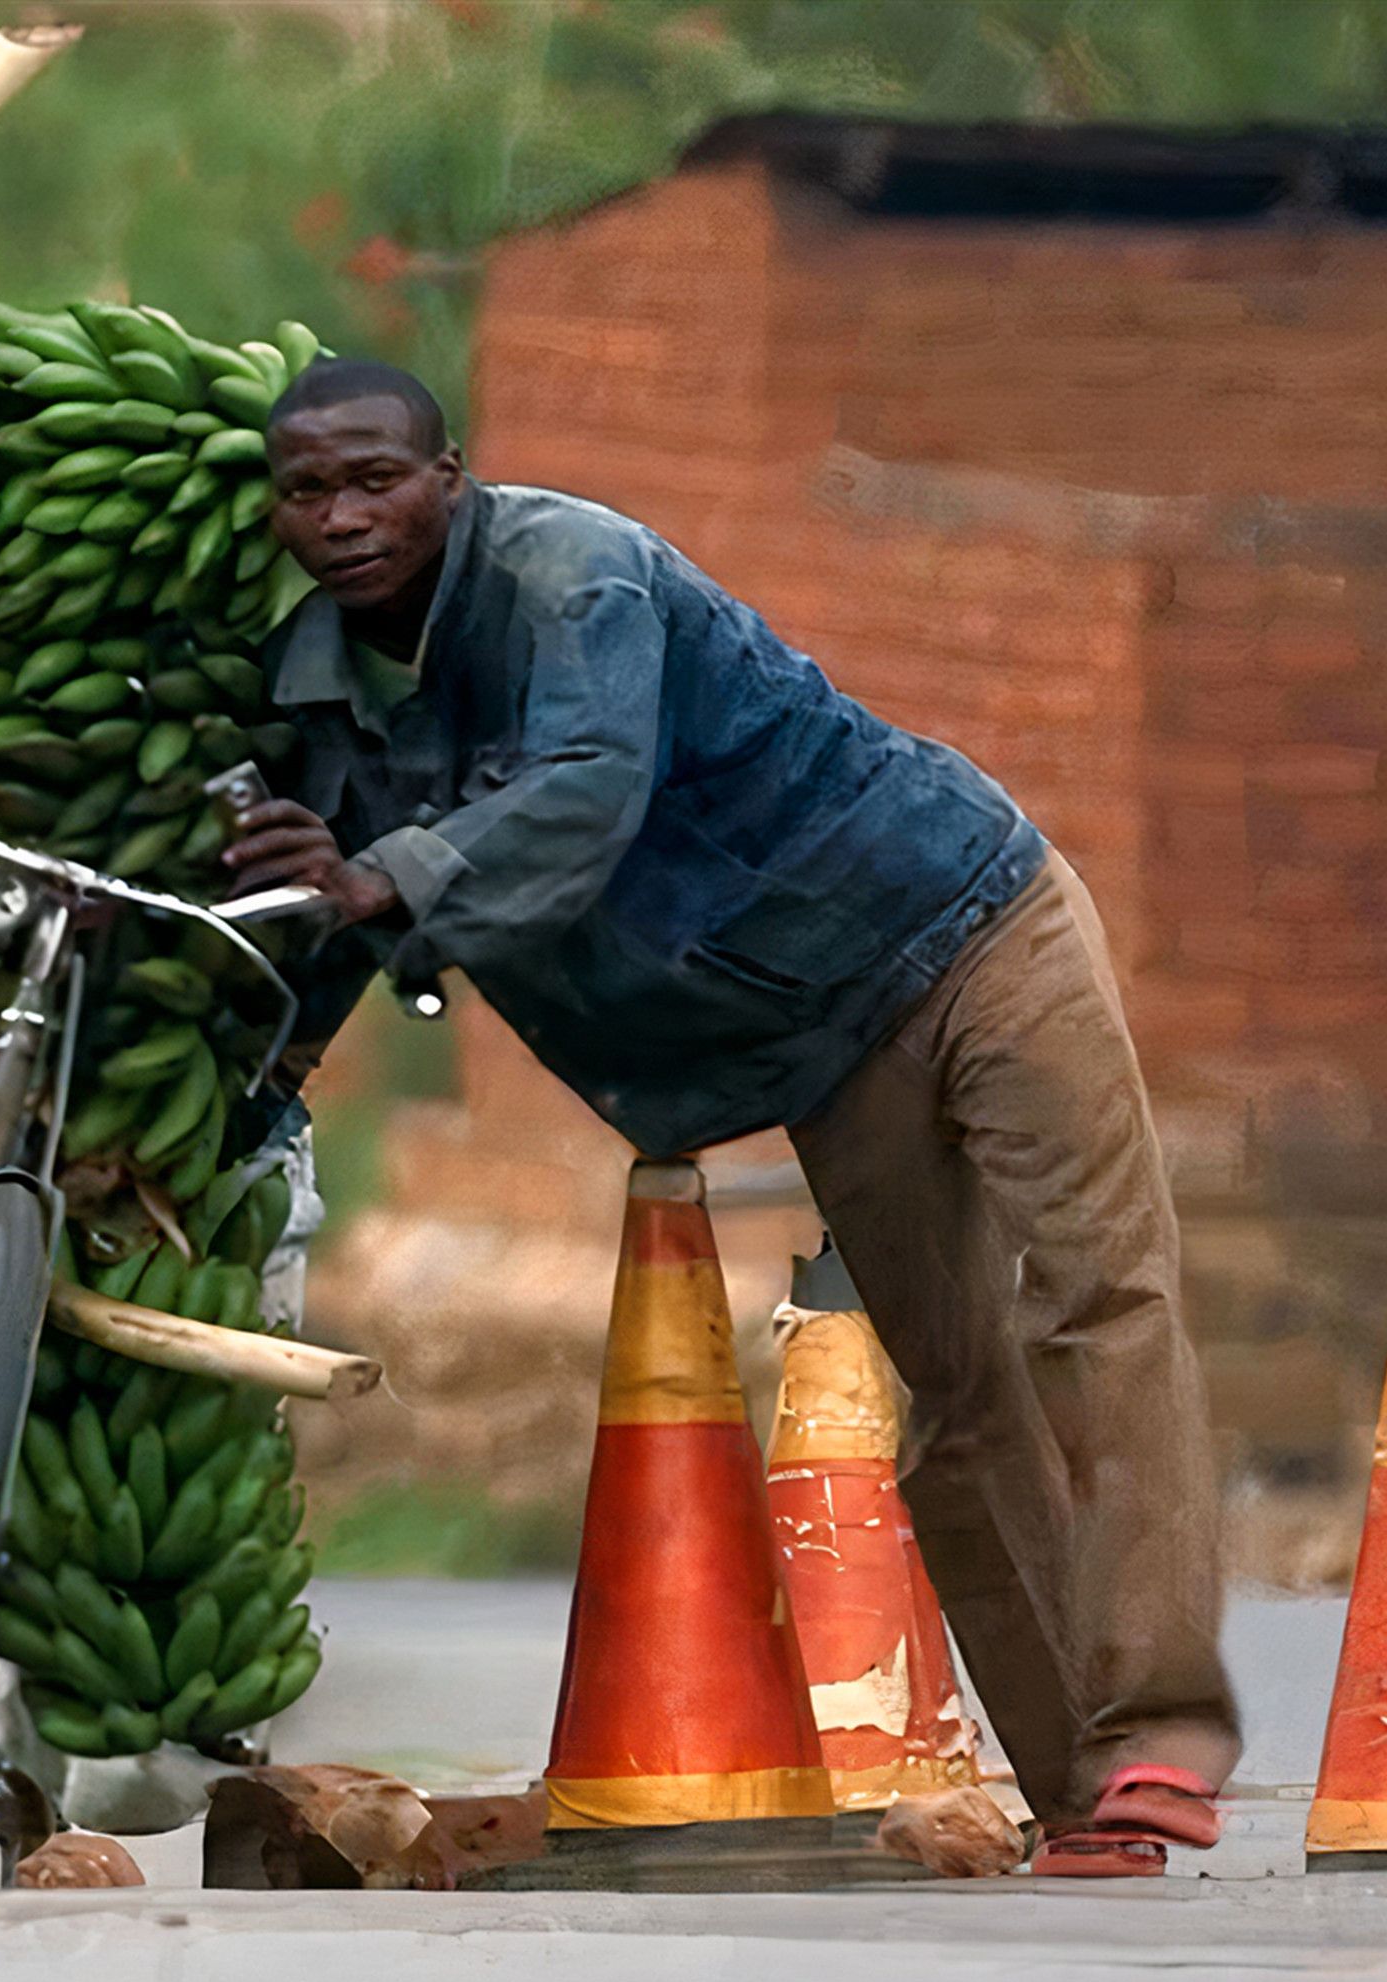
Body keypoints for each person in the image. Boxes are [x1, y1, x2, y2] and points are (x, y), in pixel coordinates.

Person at [221, 359, 1231, 1875]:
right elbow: (322, 921)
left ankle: (1156, 1734)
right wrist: (247, 1091)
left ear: (454, 475)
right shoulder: (318, 697)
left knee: (1100, 1299)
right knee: (955, 1393)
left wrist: (387, 876)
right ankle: (1086, 1800)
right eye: (311, 491)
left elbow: (584, 785)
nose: (348, 517)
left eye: (380, 479)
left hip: (971, 922)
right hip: (821, 1039)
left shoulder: (574, 572)